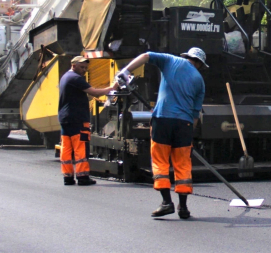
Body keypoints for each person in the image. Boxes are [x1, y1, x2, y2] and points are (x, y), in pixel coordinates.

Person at [117, 47, 207, 219]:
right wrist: (189, 135)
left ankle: (166, 202)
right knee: (182, 163)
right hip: (185, 124)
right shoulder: (200, 81)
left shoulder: (171, 60)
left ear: (187, 56)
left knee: (160, 160)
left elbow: (145, 56)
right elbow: (196, 114)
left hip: (163, 119)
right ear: (200, 64)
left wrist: (126, 71)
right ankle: (183, 207)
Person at [58, 56, 118, 186]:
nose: (84, 70)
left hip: (65, 118)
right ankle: (83, 177)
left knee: (66, 149)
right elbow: (94, 93)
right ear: (73, 65)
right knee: (80, 148)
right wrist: (112, 88)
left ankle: (67, 177)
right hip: (78, 118)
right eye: (82, 67)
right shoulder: (76, 78)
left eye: (86, 68)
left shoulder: (65, 77)